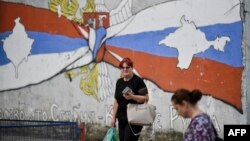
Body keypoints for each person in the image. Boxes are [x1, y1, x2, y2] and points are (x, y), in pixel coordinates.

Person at [111, 57, 149, 141]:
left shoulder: (138, 81)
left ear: (132, 68)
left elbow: (146, 99)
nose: (125, 69)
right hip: (121, 118)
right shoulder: (119, 82)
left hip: (134, 119)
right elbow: (116, 101)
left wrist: (132, 96)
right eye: (122, 67)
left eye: (127, 67)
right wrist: (113, 117)